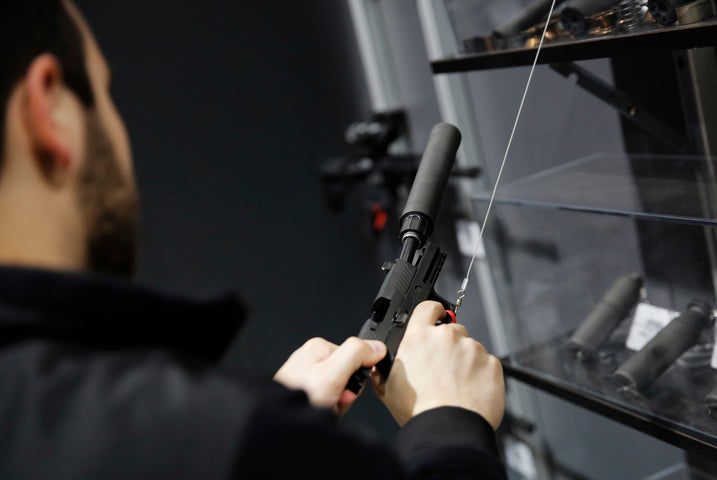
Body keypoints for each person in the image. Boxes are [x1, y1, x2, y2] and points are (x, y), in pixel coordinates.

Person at [0, 1, 508, 478]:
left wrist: (271, 424)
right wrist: (451, 430)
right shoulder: (214, 437)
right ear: (50, 110)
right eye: (105, 93)